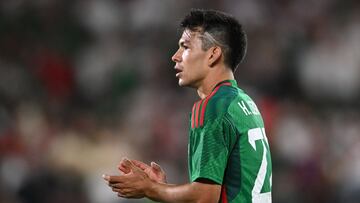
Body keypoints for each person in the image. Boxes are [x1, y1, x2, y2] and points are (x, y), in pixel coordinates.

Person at [103, 9, 272, 203]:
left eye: (185, 47)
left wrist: (151, 189)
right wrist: (162, 188)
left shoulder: (213, 107)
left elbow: (205, 197)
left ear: (213, 54)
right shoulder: (245, 103)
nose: (175, 56)